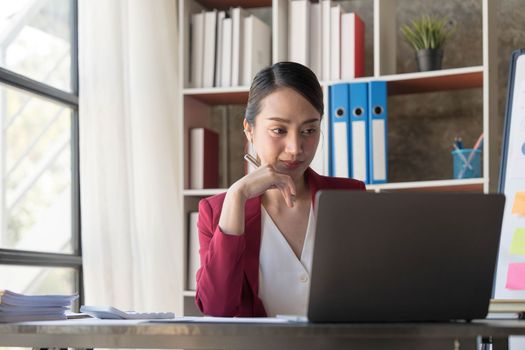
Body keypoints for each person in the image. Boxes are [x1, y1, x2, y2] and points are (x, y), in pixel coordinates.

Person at [195, 62, 365, 317]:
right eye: (279, 130)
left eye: (309, 130)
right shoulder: (217, 211)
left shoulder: (350, 197)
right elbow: (216, 309)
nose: (295, 148)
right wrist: (237, 196)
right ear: (249, 130)